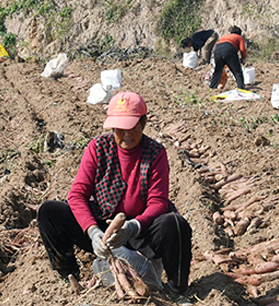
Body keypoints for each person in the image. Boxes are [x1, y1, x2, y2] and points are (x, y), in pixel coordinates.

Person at [36, 90, 192, 293]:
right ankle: (69, 276)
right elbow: (77, 195)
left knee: (175, 224)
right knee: (49, 211)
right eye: (120, 128)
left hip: (140, 230)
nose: (127, 134)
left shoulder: (155, 153)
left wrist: (132, 226)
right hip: (104, 227)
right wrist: (93, 232)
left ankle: (177, 290)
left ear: (143, 123)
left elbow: (158, 202)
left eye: (132, 127)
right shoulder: (98, 148)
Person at [207, 26, 248, 90]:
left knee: (218, 71)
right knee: (237, 71)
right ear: (239, 33)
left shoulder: (224, 37)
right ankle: (241, 88)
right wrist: (244, 58)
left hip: (217, 50)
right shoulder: (239, 37)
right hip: (229, 49)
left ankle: (212, 87)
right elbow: (242, 49)